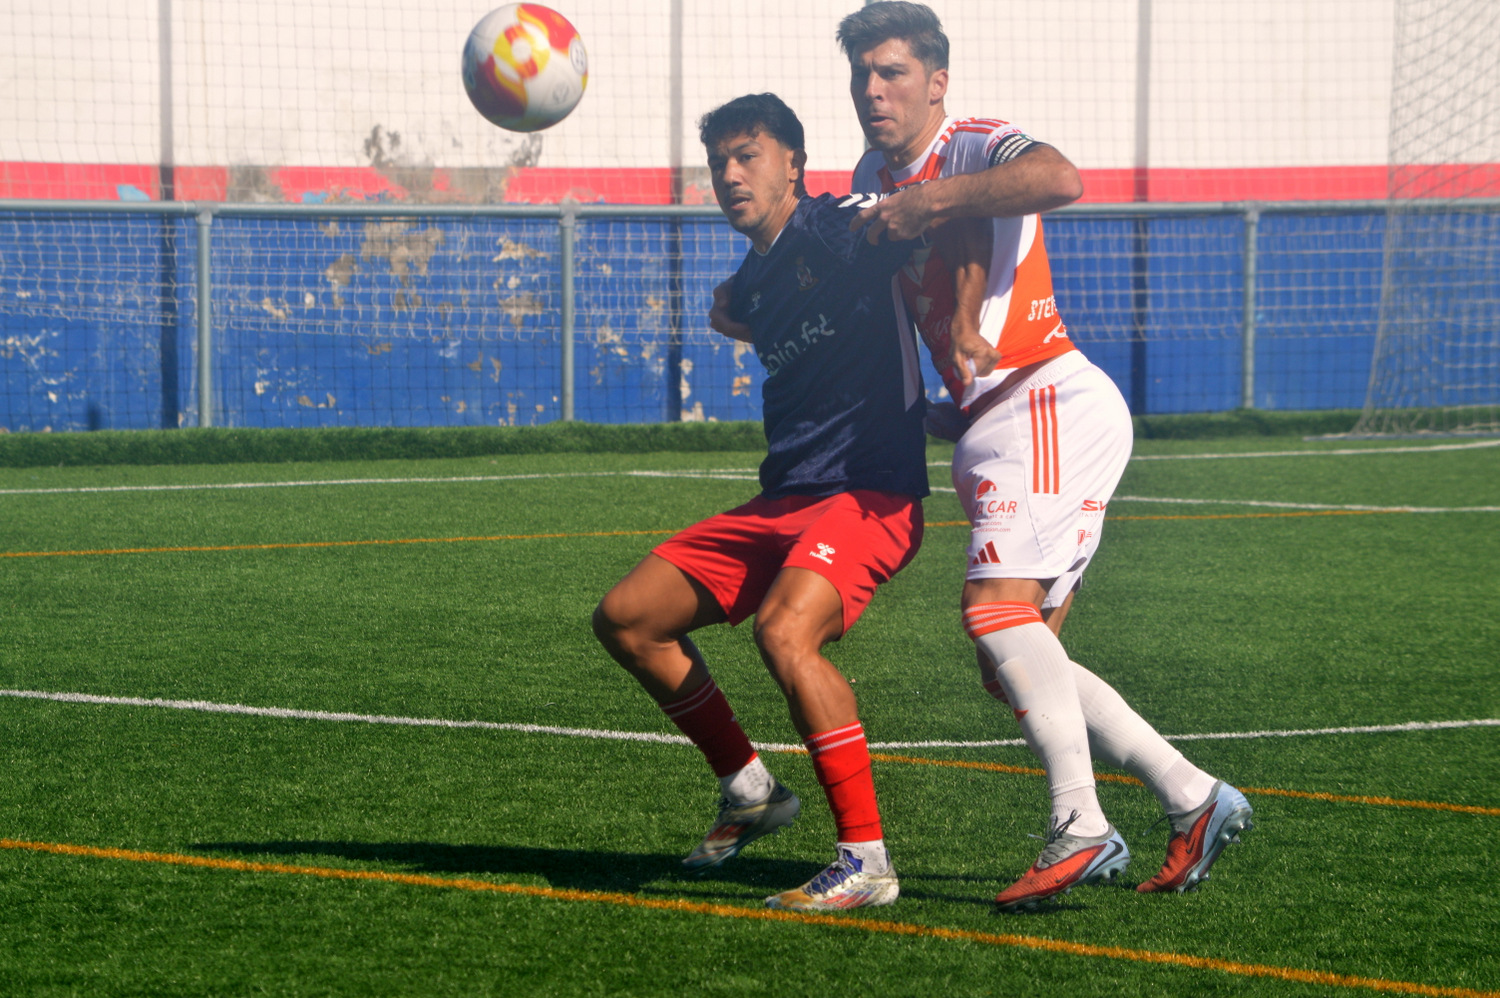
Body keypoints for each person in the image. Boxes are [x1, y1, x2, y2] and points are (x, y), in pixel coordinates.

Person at [833, 2, 1254, 910]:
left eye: (892, 71)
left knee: (994, 612)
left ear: (937, 82)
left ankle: (1082, 824)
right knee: (1013, 661)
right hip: (992, 420)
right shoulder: (870, 177)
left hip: (1044, 401)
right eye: (861, 74)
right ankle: (1193, 796)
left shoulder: (975, 142)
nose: (873, 90)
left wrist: (929, 200)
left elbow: (1061, 177)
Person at [593, 92, 934, 912]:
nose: (729, 175)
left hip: (870, 491)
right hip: (786, 497)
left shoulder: (839, 225)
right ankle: (750, 790)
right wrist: (732, 309)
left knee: (785, 633)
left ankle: (866, 862)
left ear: (794, 164)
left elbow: (923, 224)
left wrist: (959, 334)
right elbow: (743, 307)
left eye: (747, 156)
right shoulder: (755, 276)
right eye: (719, 163)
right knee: (628, 619)